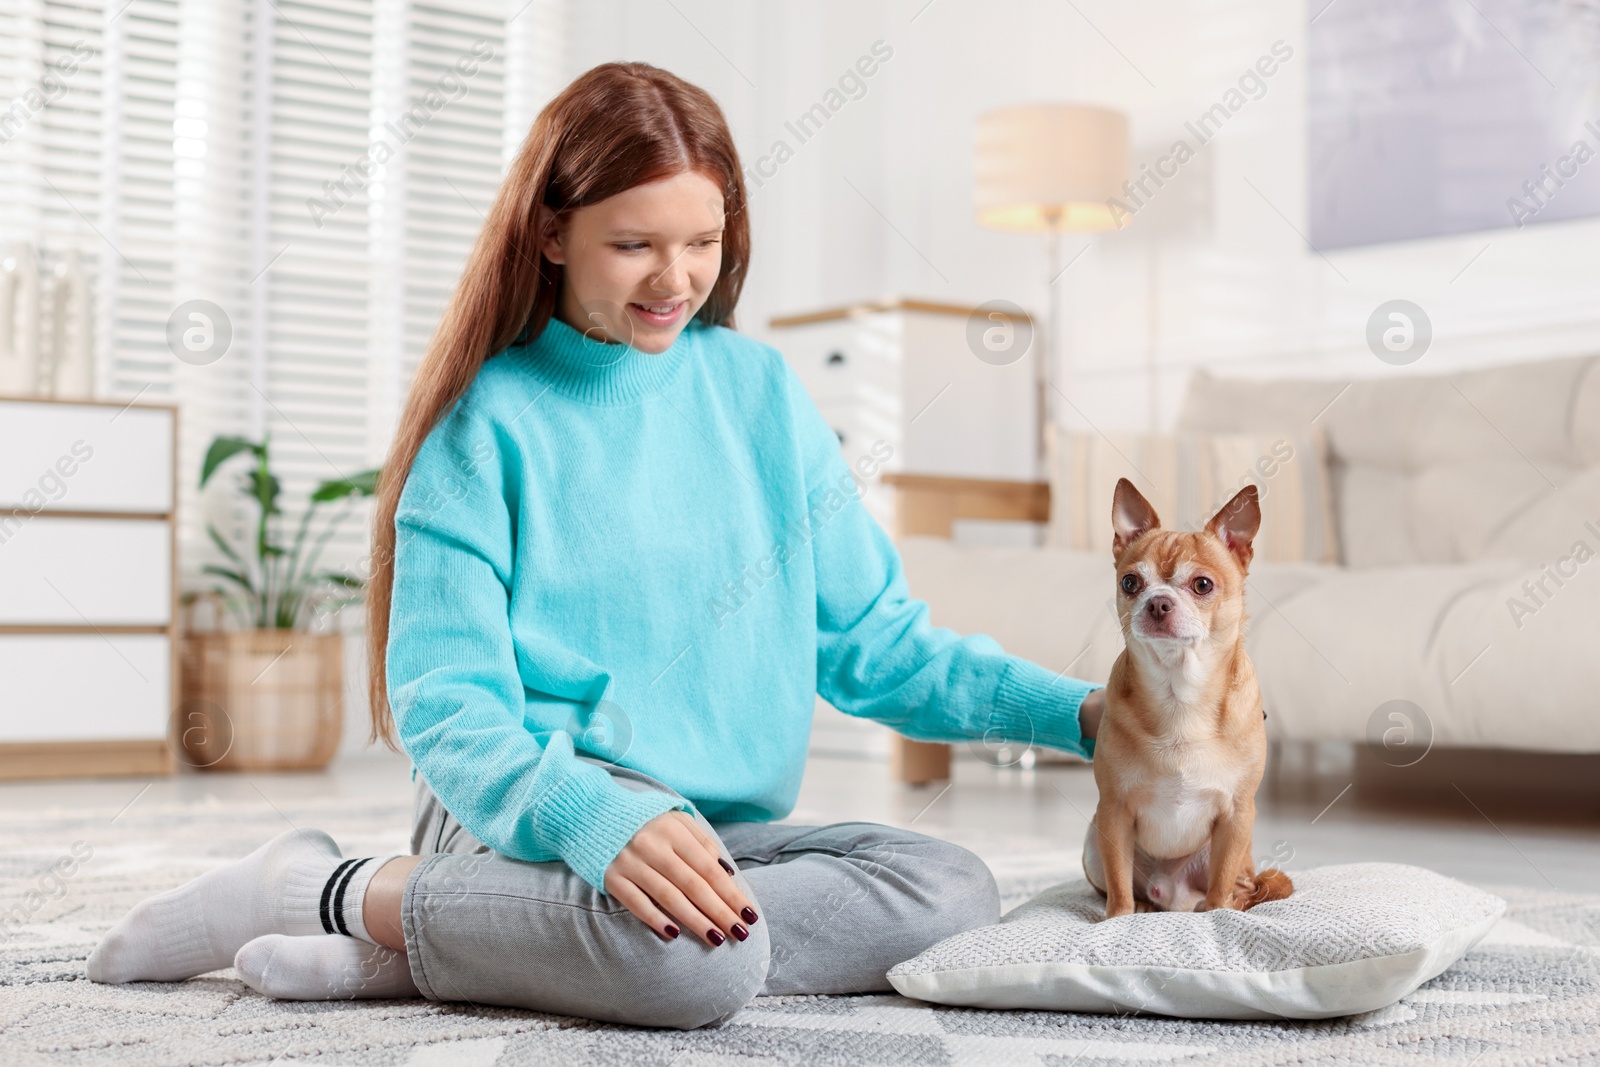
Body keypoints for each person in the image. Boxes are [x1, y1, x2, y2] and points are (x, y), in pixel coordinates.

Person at [86, 61, 1104, 1030]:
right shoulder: (483, 424)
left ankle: (430, 943)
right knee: (691, 958)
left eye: (703, 239)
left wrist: (1094, 716)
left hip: (708, 836)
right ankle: (324, 886)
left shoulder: (758, 394)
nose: (678, 277)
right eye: (635, 245)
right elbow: (448, 706)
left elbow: (876, 644)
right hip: (519, 816)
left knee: (950, 887)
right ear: (552, 232)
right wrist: (590, 816)